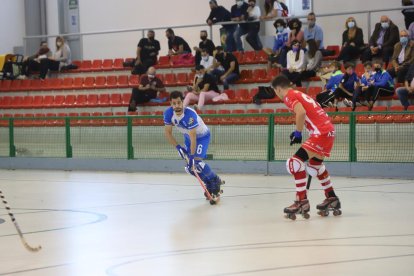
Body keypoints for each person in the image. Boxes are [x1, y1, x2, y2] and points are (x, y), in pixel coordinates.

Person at [271, 75, 341, 220]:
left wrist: (298, 132)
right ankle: (332, 198)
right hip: (328, 130)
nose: (276, 95)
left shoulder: (289, 96)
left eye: (275, 92)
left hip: (320, 132)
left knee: (294, 162)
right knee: (315, 166)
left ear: (278, 89)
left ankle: (301, 201)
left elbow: (301, 112)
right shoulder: (299, 93)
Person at [164, 91, 224, 202]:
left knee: (196, 163)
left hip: (202, 137)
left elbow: (194, 137)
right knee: (190, 168)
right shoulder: (168, 114)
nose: (176, 106)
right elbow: (168, 133)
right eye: (174, 103)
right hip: (188, 137)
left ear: (183, 102)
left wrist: (191, 156)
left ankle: (214, 180)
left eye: (179, 103)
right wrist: (178, 147)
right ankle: (208, 182)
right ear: (171, 104)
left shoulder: (190, 115)